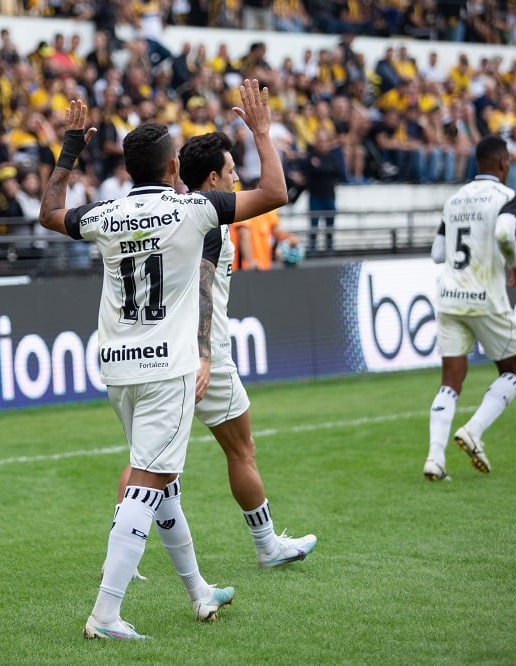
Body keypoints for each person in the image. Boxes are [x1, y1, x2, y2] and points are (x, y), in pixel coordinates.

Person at [38, 79, 288, 640]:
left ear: (128, 170)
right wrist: (263, 132)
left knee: (163, 480)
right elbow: (274, 194)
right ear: (174, 164)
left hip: (117, 365)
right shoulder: (194, 210)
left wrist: (70, 149)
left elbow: (49, 212)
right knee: (149, 483)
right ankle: (105, 613)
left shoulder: (103, 215)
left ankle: (198, 591)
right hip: (166, 368)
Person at [114, 130, 317, 571]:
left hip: (155, 351)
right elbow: (206, 284)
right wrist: (206, 354)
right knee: (240, 450)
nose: (237, 179)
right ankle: (266, 546)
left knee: (145, 461)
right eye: (231, 172)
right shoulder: (203, 219)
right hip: (205, 357)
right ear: (212, 178)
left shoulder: (169, 214)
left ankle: (119, 554)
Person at [423, 134, 516, 482]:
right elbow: (503, 234)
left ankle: (434, 459)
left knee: (451, 381)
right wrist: (513, 265)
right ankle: (474, 430)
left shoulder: (454, 200)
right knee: (513, 370)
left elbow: (438, 254)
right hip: (486, 297)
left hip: (450, 297)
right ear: (503, 163)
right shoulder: (507, 197)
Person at [300, 129, 344, 257]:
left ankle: (330, 248)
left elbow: (337, 171)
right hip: (315, 195)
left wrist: (319, 168)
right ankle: (312, 249)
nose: (322, 144)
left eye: (324, 141)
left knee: (330, 225)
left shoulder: (332, 157)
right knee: (314, 225)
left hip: (329, 195)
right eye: (319, 141)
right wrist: (322, 169)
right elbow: (309, 171)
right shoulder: (311, 156)